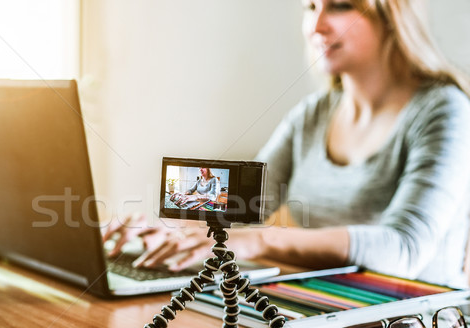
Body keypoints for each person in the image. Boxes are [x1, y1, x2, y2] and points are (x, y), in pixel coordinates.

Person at [104, 0, 470, 287]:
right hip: (328, 312)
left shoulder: (445, 110)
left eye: (341, 6)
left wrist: (264, 241)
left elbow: (404, 249)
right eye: (310, 7)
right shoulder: (314, 114)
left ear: (392, 14)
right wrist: (164, 228)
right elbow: (245, 207)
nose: (316, 26)